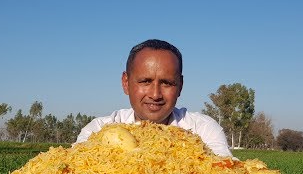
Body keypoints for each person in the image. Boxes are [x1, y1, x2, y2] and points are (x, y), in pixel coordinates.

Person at [75, 39, 234, 158]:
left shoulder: (203, 130)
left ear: (180, 86)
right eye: (145, 81)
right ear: (126, 83)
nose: (155, 94)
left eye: (167, 83)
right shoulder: (98, 131)